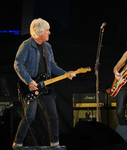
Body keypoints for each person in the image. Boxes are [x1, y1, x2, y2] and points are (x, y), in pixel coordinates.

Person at [12, 18, 76, 147]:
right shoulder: (26, 45)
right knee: (29, 116)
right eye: (47, 30)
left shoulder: (48, 47)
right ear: (39, 32)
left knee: (53, 116)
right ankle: (17, 143)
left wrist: (65, 74)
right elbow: (17, 64)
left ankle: (55, 145)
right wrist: (29, 81)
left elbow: (52, 66)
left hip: (45, 86)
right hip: (30, 86)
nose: (49, 32)